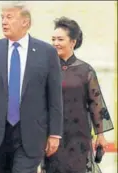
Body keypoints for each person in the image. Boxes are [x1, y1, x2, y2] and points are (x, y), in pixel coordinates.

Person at [0, 2, 63, 173]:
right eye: (2, 17)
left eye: (9, 17)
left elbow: (54, 97)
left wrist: (55, 133)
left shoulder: (47, 53)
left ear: (25, 22)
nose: (4, 22)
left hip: (31, 134)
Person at [43, 16, 114, 173]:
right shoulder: (46, 69)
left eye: (60, 39)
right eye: (53, 39)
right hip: (53, 134)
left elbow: (96, 104)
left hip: (79, 135)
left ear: (73, 42)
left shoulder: (85, 70)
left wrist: (100, 135)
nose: (55, 43)